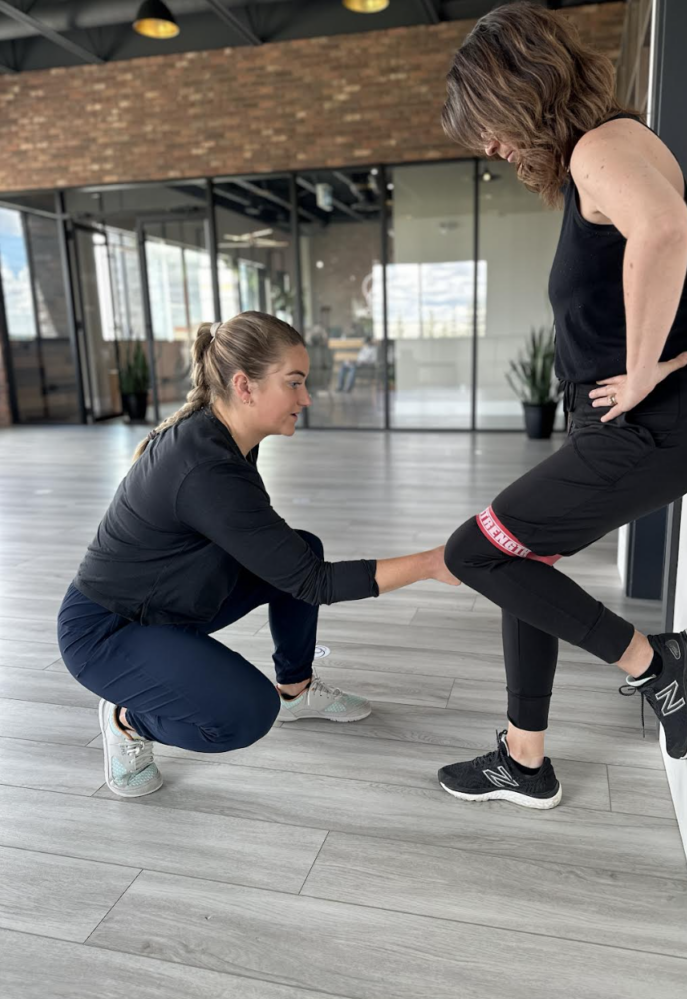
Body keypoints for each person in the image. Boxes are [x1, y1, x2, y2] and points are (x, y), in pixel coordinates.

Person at [436, 3, 687, 809]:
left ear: (521, 86)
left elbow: (663, 231)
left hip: (647, 421)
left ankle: (653, 665)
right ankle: (522, 760)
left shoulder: (604, 147)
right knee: (518, 561)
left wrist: (636, 374)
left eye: (488, 126)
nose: (491, 148)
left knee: (475, 554)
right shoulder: (596, 156)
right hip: (628, 420)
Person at [57, 311, 457, 798]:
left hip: (169, 602)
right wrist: (433, 563)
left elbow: (286, 559)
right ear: (244, 386)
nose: (306, 398)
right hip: (108, 631)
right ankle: (128, 720)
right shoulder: (205, 465)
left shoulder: (226, 437)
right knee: (245, 714)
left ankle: (297, 689)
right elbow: (314, 582)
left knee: (301, 547)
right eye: (294, 383)